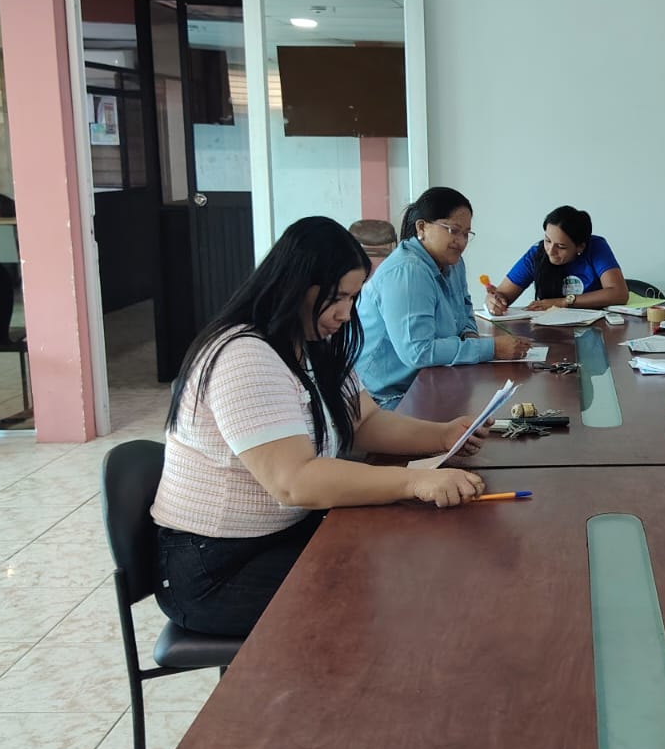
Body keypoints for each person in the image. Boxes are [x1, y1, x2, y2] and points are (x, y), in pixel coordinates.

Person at [151, 217, 489, 638]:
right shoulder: (244, 356)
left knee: (404, 555)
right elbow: (295, 481)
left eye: (353, 297)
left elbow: (366, 422)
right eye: (337, 297)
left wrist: (443, 435)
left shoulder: (312, 343)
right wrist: (414, 481)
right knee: (381, 596)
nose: (346, 313)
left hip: (284, 533)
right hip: (216, 565)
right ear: (296, 287)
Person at [358, 188, 531, 407]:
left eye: (466, 234)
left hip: (431, 378)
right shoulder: (408, 272)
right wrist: (492, 349)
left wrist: (471, 337)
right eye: (453, 230)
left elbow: (465, 309)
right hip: (388, 397)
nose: (461, 242)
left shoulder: (453, 263)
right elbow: (419, 352)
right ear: (422, 227)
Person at [483, 205, 629, 314]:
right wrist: (494, 301)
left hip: (596, 329)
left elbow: (619, 293)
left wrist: (563, 302)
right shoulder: (537, 254)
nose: (550, 251)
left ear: (580, 247)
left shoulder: (596, 247)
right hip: (549, 330)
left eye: (561, 246)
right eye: (547, 240)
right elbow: (504, 295)